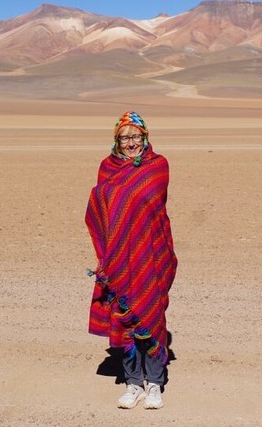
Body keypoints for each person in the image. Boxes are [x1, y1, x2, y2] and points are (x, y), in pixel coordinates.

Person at [85, 111, 178, 410]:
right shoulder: (107, 168)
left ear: (145, 137)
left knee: (150, 315)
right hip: (120, 256)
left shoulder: (157, 165)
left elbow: (150, 202)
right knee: (126, 317)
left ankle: (154, 383)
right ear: (116, 141)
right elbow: (101, 207)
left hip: (150, 252)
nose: (131, 143)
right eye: (125, 138)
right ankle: (133, 382)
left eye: (136, 136)